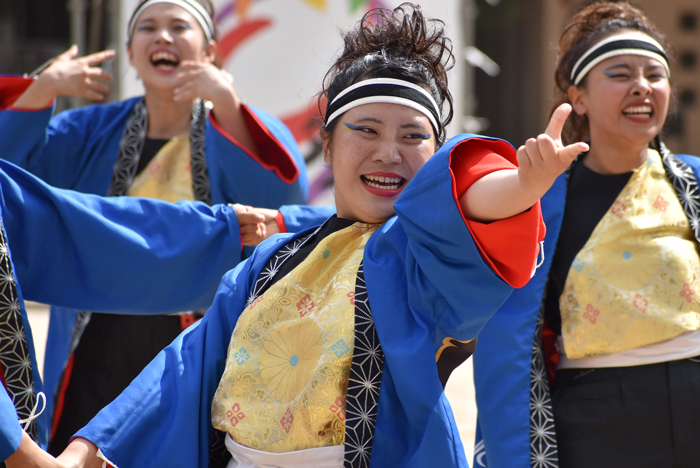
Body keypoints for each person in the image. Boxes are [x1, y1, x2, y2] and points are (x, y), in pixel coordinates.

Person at [36, 3, 587, 468]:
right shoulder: (269, 261)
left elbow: (464, 205)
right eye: (365, 130)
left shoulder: (420, 259)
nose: (387, 151)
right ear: (327, 145)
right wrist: (91, 443)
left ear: (439, 156)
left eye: (412, 136)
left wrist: (520, 185)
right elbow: (185, 365)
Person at [0, 0, 310, 453]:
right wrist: (41, 90)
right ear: (129, 52)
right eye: (148, 27)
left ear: (209, 51)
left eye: (178, 26)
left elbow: (282, 199)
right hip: (98, 336)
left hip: (194, 340)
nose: (162, 36)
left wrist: (226, 101)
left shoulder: (235, 126)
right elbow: (9, 179)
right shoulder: (91, 130)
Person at [472, 3, 700, 468]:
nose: (642, 85)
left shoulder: (695, 182)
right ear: (578, 98)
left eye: (654, 74)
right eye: (619, 73)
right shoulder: (541, 196)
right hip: (599, 416)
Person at [0, 156, 266, 465]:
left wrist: (213, 234)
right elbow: (72, 230)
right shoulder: (96, 128)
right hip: (94, 343)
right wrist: (20, 450)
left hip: (175, 323)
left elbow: (88, 226)